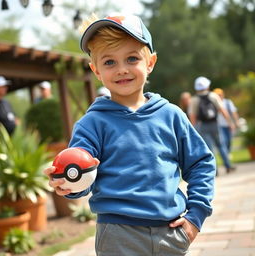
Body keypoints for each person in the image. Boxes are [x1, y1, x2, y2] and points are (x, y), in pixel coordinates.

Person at [44, 14, 216, 256]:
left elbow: (201, 163)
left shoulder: (171, 115)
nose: (122, 69)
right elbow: (83, 173)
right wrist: (68, 184)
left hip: (171, 232)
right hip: (117, 235)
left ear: (150, 63)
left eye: (132, 58)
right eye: (109, 62)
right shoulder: (91, 124)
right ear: (96, 70)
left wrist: (195, 217)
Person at [189, 76, 235, 174]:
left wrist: (192, 130)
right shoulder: (213, 96)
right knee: (221, 145)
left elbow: (193, 116)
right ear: (207, 86)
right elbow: (223, 110)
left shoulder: (194, 100)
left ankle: (215, 170)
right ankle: (228, 166)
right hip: (215, 124)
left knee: (209, 148)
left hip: (203, 126)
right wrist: (230, 122)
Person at [213, 88, 240, 154]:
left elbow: (234, 112)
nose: (219, 96)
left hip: (228, 125)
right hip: (218, 125)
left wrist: (236, 122)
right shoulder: (213, 103)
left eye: (220, 94)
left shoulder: (228, 102)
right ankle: (226, 155)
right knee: (223, 141)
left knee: (229, 140)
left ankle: (227, 152)